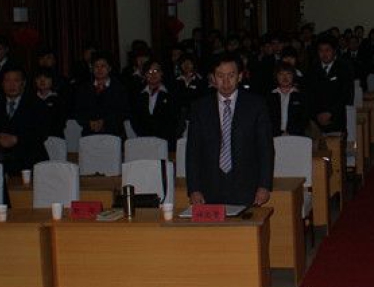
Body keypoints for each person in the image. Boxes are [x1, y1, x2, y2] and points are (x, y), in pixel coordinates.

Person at [185, 53, 273, 207]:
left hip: (247, 186)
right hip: (209, 187)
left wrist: (264, 185)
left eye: (231, 75)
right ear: (212, 78)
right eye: (220, 76)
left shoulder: (256, 105)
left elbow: (265, 149)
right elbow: (193, 151)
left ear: (240, 76)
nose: (226, 81)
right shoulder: (200, 107)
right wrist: (194, 189)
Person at [0, 66, 45, 176]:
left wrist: (17, 139)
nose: (11, 85)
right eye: (7, 80)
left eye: (16, 80)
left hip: (29, 161)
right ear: (2, 83)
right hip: (0, 161)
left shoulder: (36, 104)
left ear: (23, 83)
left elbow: (42, 133)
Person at [72, 52, 129, 137]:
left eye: (103, 66)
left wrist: (104, 122)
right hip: (89, 134)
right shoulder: (84, 88)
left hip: (114, 134)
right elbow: (78, 112)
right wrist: (89, 122)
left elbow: (123, 112)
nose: (99, 69)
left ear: (109, 68)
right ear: (92, 69)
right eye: (96, 66)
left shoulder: (119, 88)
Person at [129, 60, 179, 146]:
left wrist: (161, 138)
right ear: (145, 75)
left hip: (166, 142)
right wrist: (145, 137)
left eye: (156, 71)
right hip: (143, 141)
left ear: (162, 73)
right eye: (149, 72)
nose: (153, 74)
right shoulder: (138, 95)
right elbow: (134, 120)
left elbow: (175, 119)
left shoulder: (171, 94)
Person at [268, 62, 308, 136]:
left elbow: (304, 119)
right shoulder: (269, 97)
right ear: (276, 77)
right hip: (274, 137)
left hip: (296, 136)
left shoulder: (301, 96)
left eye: (288, 74)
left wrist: (290, 133)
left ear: (293, 76)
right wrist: (279, 133)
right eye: (281, 74)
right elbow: (267, 119)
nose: (285, 77)